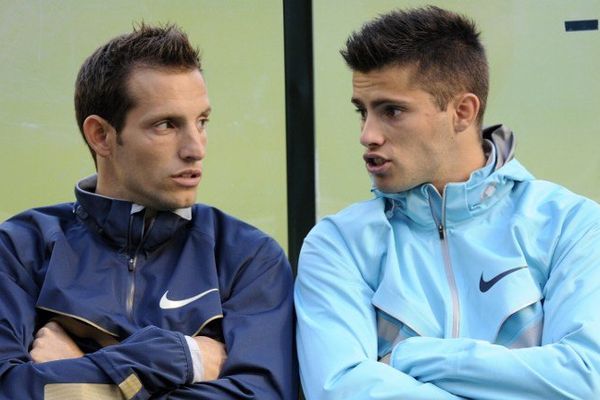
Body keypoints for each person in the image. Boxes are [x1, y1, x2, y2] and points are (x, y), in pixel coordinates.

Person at [295, 6, 600, 400]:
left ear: (462, 112)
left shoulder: (572, 224)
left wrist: (408, 357)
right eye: (363, 112)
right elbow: (339, 389)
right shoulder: (337, 244)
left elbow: (586, 379)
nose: (368, 135)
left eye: (392, 111)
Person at [0, 24, 297, 400]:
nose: (195, 148)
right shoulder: (18, 249)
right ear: (101, 136)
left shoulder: (247, 257)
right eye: (167, 125)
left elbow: (261, 395)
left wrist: (81, 372)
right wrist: (182, 357)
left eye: (201, 122)